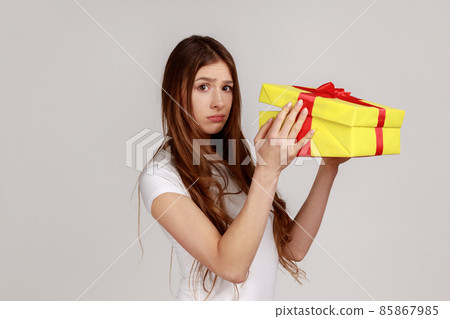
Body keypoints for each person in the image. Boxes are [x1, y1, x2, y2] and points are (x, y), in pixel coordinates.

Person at [136, 35, 349, 301]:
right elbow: (231, 267)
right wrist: (268, 170)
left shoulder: (238, 158)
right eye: (203, 87)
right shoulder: (160, 177)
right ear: (175, 92)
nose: (219, 102)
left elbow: (293, 248)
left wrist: (329, 168)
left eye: (227, 88)